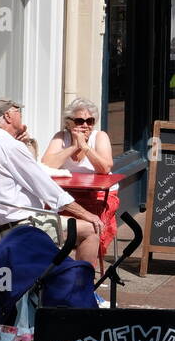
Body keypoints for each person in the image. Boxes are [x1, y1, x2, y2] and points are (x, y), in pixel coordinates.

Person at [0, 99, 102, 264]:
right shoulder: (9, 146)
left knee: (72, 224)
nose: (22, 116)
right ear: (8, 116)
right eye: (18, 112)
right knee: (91, 229)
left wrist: (25, 144)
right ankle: (81, 287)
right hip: (23, 226)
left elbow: (30, 172)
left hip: (4, 224)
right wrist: (87, 214)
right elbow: (45, 187)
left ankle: (63, 279)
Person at [42, 98, 119, 263]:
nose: (85, 125)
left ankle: (83, 272)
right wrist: (74, 147)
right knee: (50, 213)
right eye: (79, 121)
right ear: (69, 123)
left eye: (90, 121)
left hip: (98, 194)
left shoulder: (99, 137)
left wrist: (85, 147)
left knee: (94, 222)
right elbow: (47, 164)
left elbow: (105, 168)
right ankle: (57, 266)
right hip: (68, 193)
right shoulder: (61, 137)